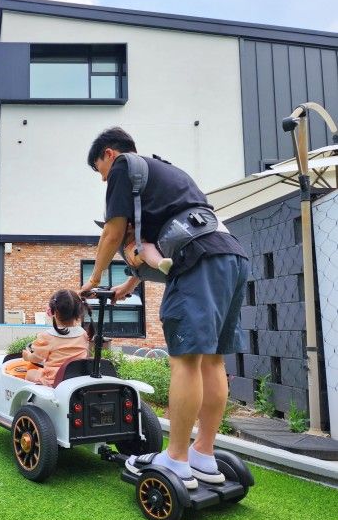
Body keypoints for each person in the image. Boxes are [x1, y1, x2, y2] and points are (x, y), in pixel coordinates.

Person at [80, 127, 249, 490]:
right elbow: (165, 240)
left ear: (109, 154)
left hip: (199, 261)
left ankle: (176, 458)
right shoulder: (165, 174)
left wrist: (93, 279)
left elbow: (113, 232)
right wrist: (128, 283)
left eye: (100, 172)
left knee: (185, 360)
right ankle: (203, 455)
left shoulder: (125, 166)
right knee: (213, 359)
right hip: (230, 254)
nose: (104, 180)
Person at [21, 289, 89, 386]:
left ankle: (32, 400)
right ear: (78, 312)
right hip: (76, 380)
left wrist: (28, 356)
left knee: (30, 373)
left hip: (54, 381)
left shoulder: (47, 336)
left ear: (54, 311)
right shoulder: (83, 334)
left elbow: (36, 358)